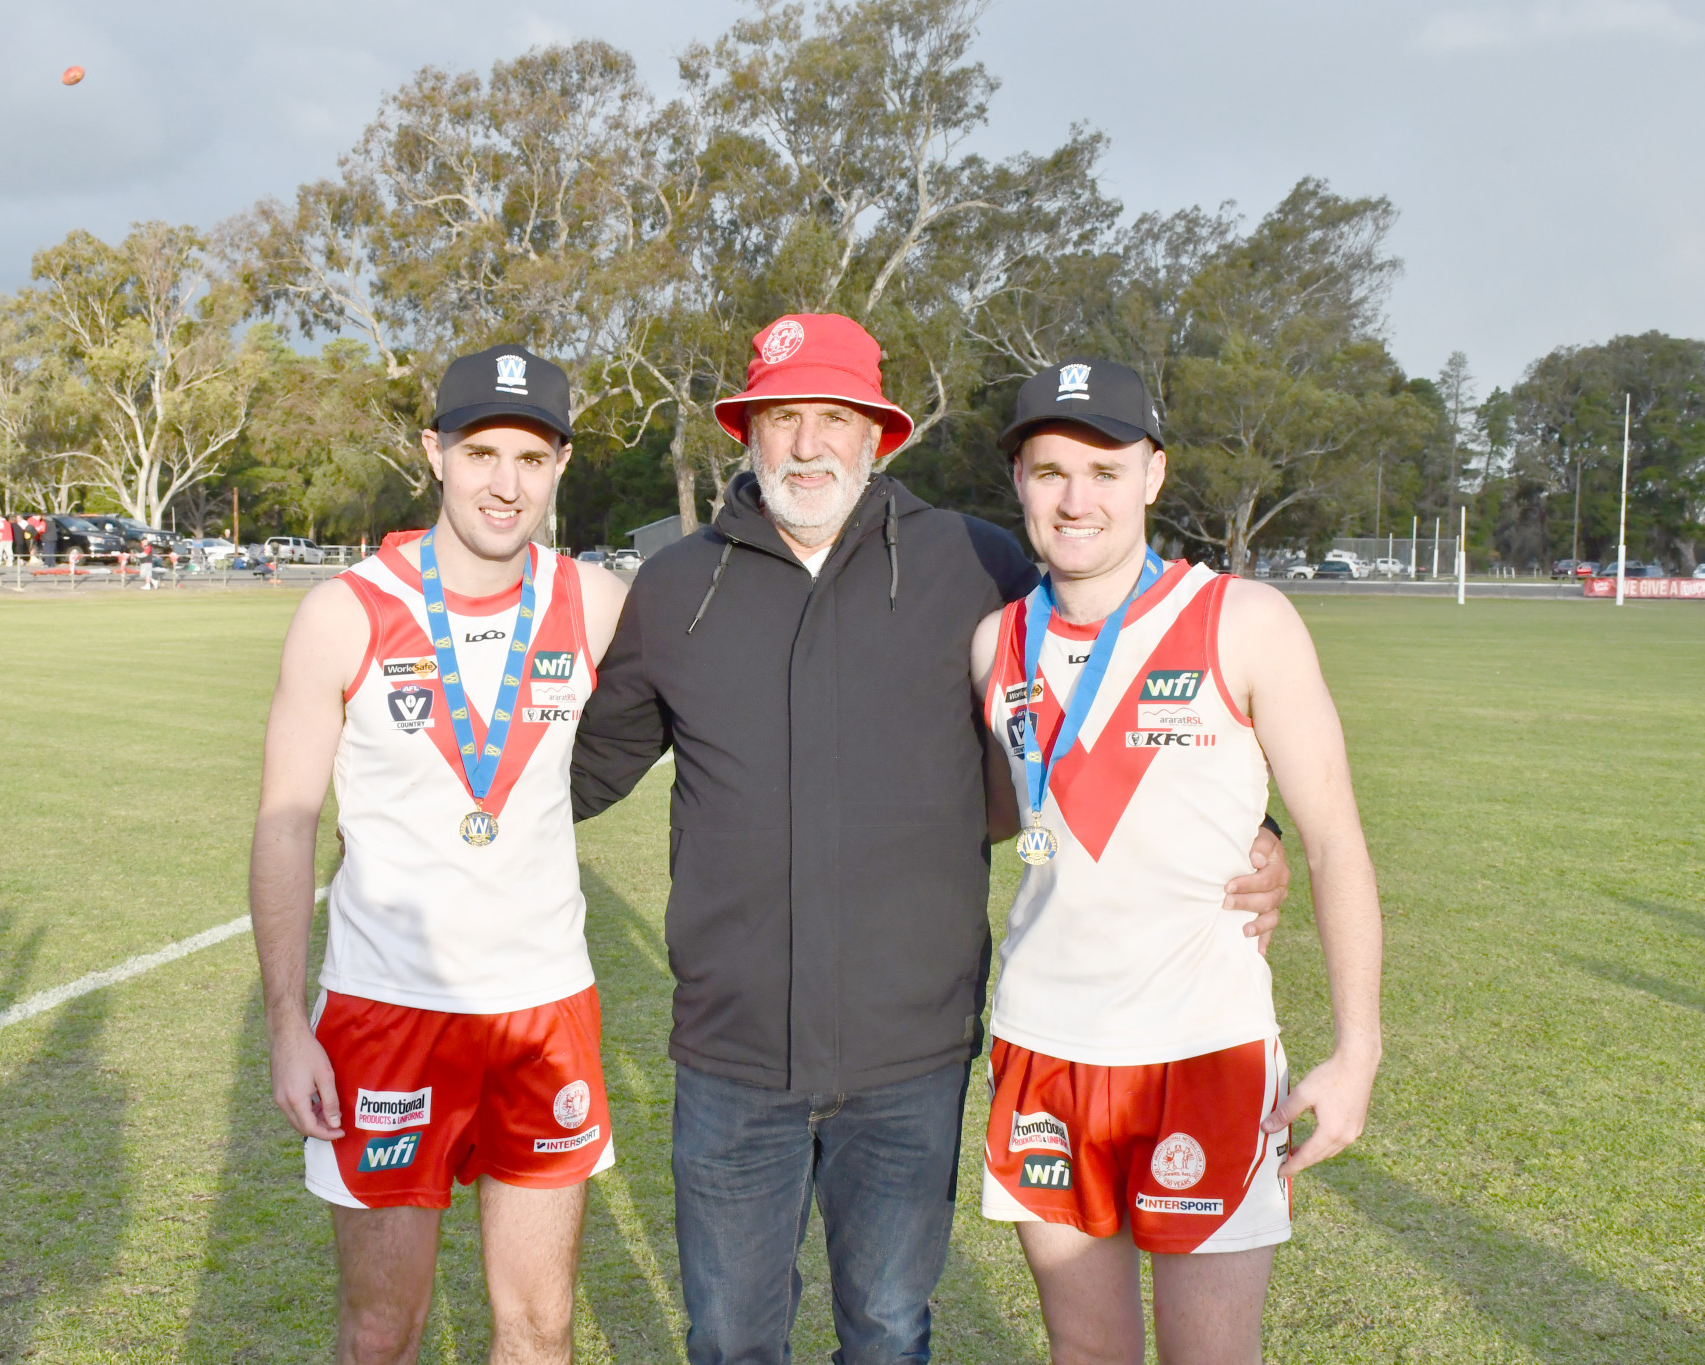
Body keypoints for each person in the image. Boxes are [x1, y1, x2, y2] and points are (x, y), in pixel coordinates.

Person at [568, 314, 1291, 1365]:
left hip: (908, 1053)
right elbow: (582, 774)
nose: (806, 445)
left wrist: (1251, 827)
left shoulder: (973, 561)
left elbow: (1108, 694)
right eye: (780, 419)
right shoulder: (680, 585)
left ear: (878, 435)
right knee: (727, 1339)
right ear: (745, 433)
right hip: (728, 1050)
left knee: (889, 1330)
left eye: (832, 418)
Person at [970, 360, 1383, 1364]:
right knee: (1086, 1354)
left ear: (1152, 475)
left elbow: (1330, 840)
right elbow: (1010, 818)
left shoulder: (1243, 620)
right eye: (1048, 470)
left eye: (1105, 471)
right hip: (1042, 1051)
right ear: (1018, 482)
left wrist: (1356, 1049)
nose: (1076, 499)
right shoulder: (993, 644)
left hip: (1203, 1052)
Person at [251, 345, 629, 1365]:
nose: (505, 483)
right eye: (481, 453)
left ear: (559, 466)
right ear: (434, 454)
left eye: (532, 458)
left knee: (539, 1325)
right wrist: (289, 1025)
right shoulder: (344, 613)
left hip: (544, 1007)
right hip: (384, 1012)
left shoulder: (594, 604)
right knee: (382, 1329)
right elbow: (286, 821)